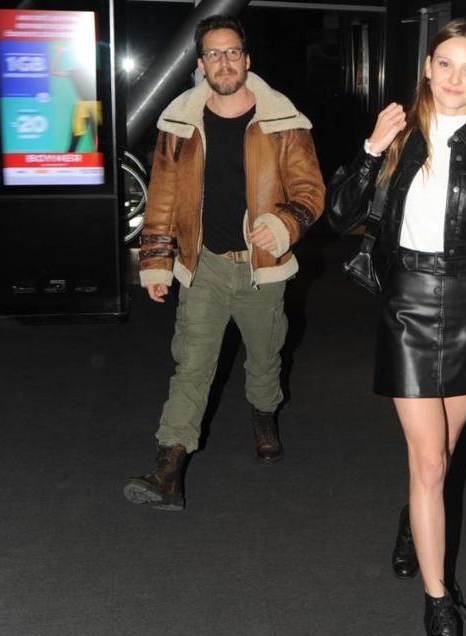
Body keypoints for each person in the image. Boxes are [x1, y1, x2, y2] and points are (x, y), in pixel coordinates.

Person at [327, 19, 466, 636]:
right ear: (428, 67)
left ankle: (413, 521)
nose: (454, 78)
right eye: (445, 63)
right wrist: (368, 148)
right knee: (432, 462)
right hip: (409, 304)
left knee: (441, 455)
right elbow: (339, 216)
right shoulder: (398, 134)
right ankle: (439, 609)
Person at [123, 15, 325, 511]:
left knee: (265, 361)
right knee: (191, 366)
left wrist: (282, 224)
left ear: (246, 59)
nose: (224, 61)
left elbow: (310, 192)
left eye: (232, 52)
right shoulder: (179, 124)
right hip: (205, 266)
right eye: (214, 54)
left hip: (262, 272)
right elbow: (163, 197)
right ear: (201, 65)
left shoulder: (283, 121)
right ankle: (167, 470)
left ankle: (264, 415)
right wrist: (156, 262)